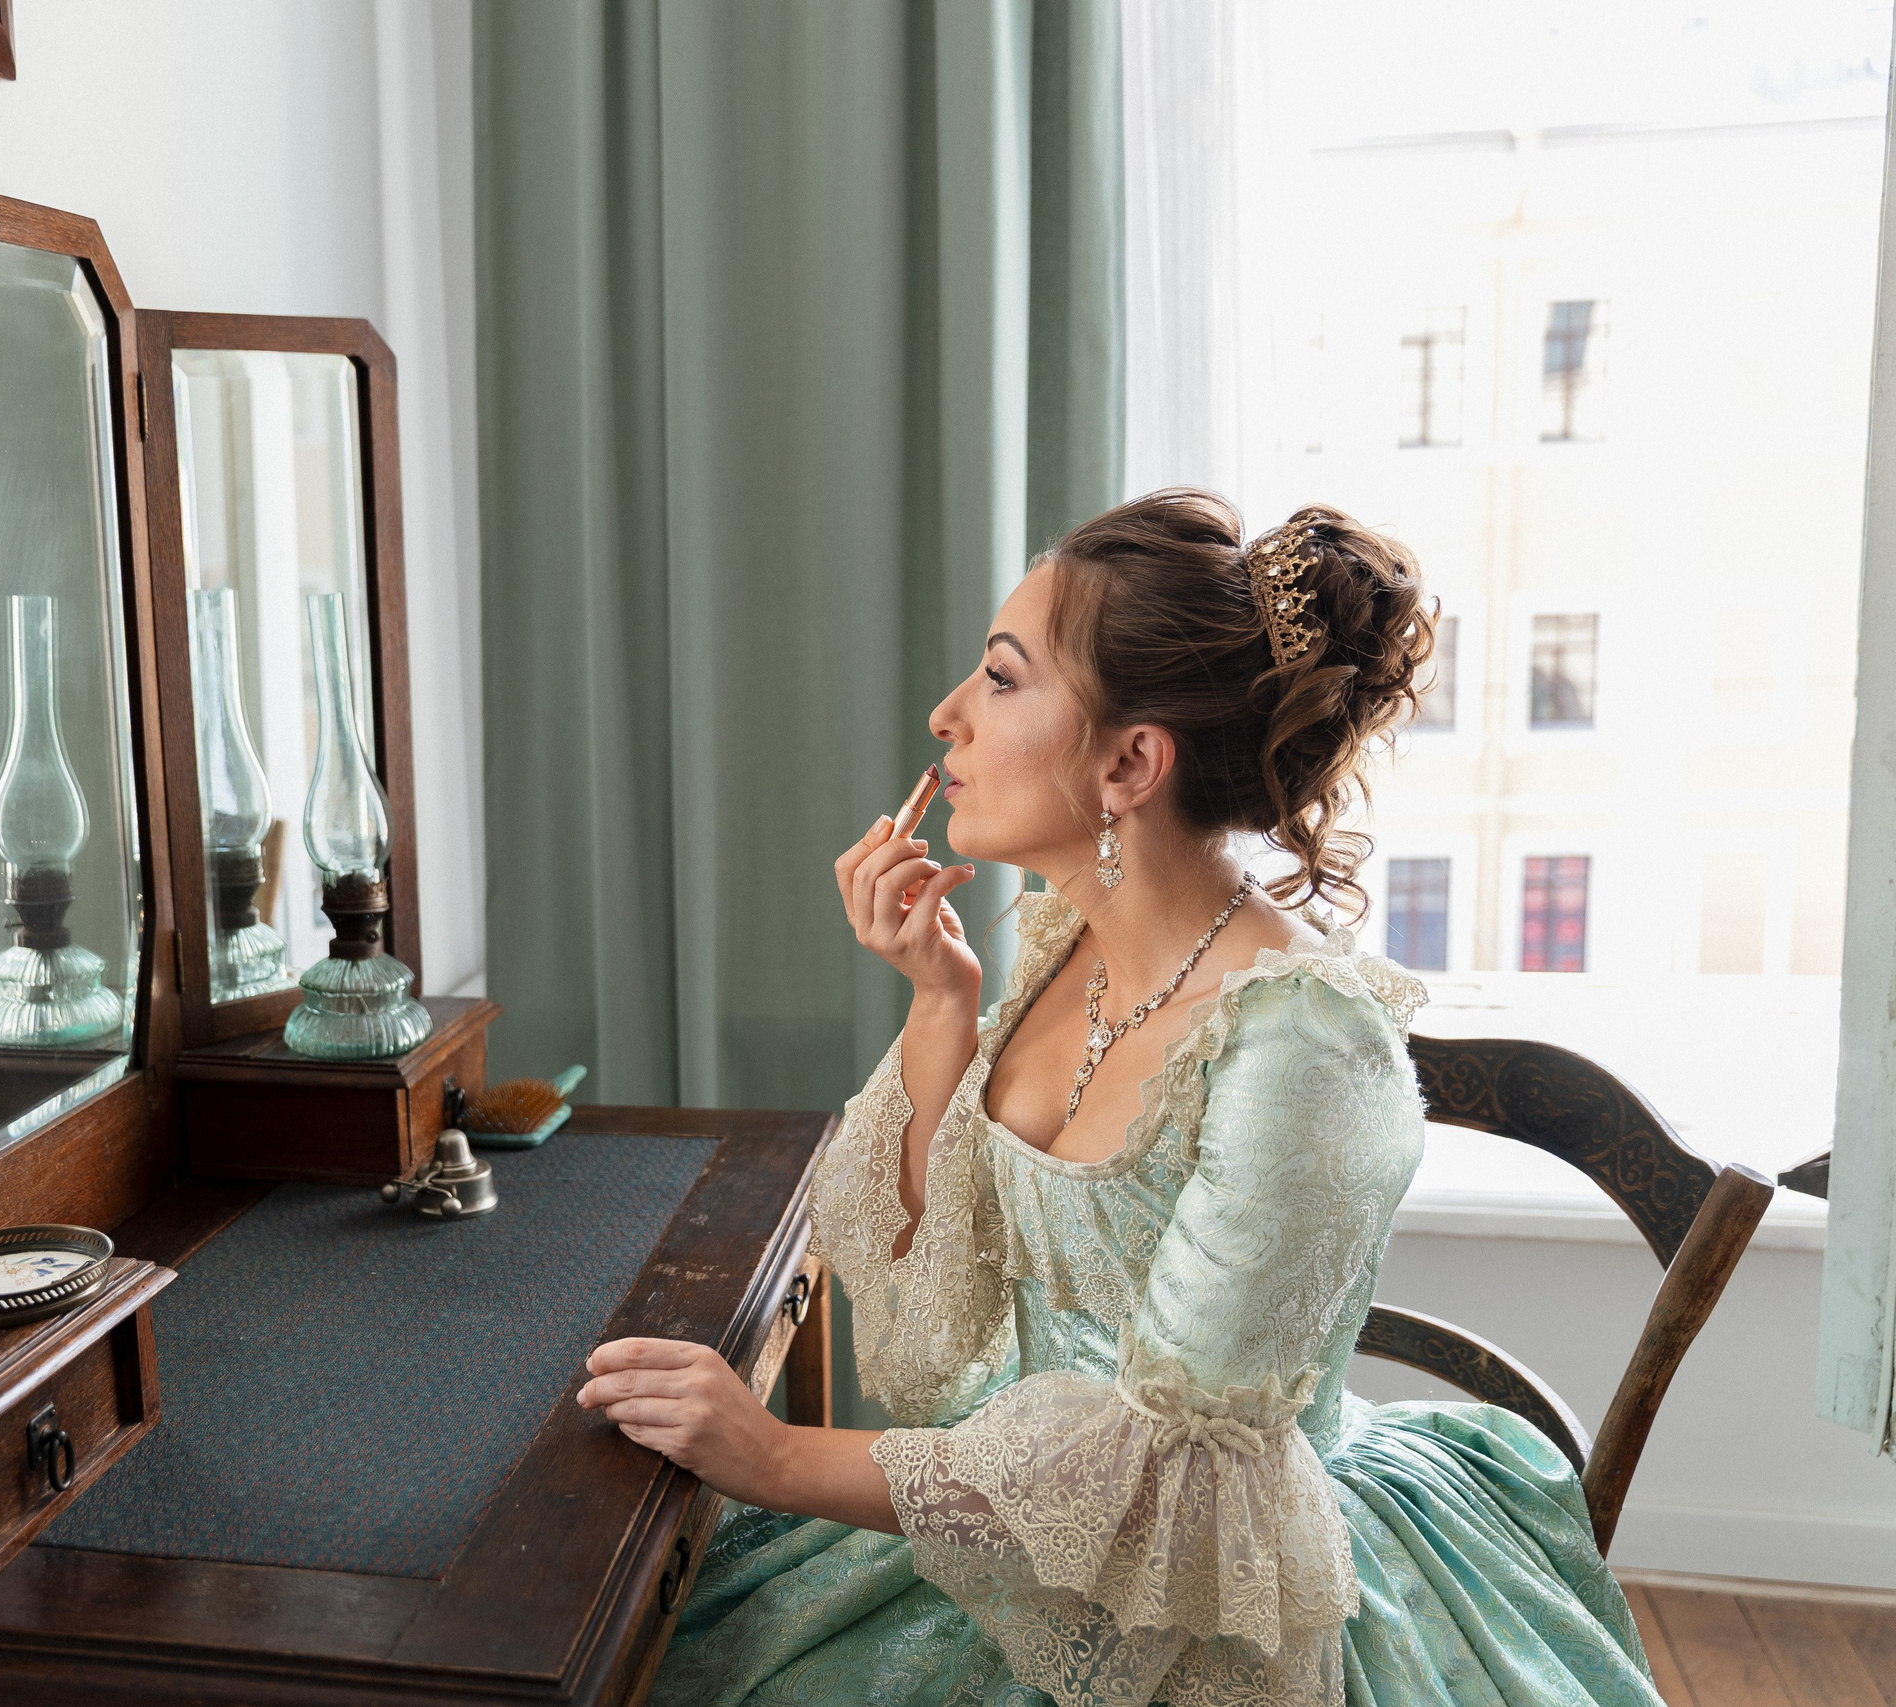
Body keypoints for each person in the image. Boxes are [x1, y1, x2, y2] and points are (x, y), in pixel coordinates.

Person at [578, 490, 1661, 1706]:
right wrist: (940, 1004)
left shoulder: (1303, 1047)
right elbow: (943, 1314)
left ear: (1130, 762)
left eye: (1000, 678)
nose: (946, 715)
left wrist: (774, 1457)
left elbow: (1169, 1473)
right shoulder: (1070, 943)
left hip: (1205, 1585)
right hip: (1011, 1508)